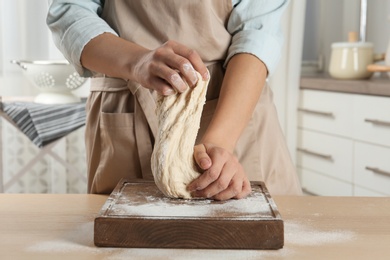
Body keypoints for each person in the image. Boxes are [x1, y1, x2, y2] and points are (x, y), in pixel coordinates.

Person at [47, 0, 302, 200]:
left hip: (235, 111)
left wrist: (221, 142)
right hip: (125, 97)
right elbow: (69, 10)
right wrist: (136, 61)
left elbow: (258, 35)